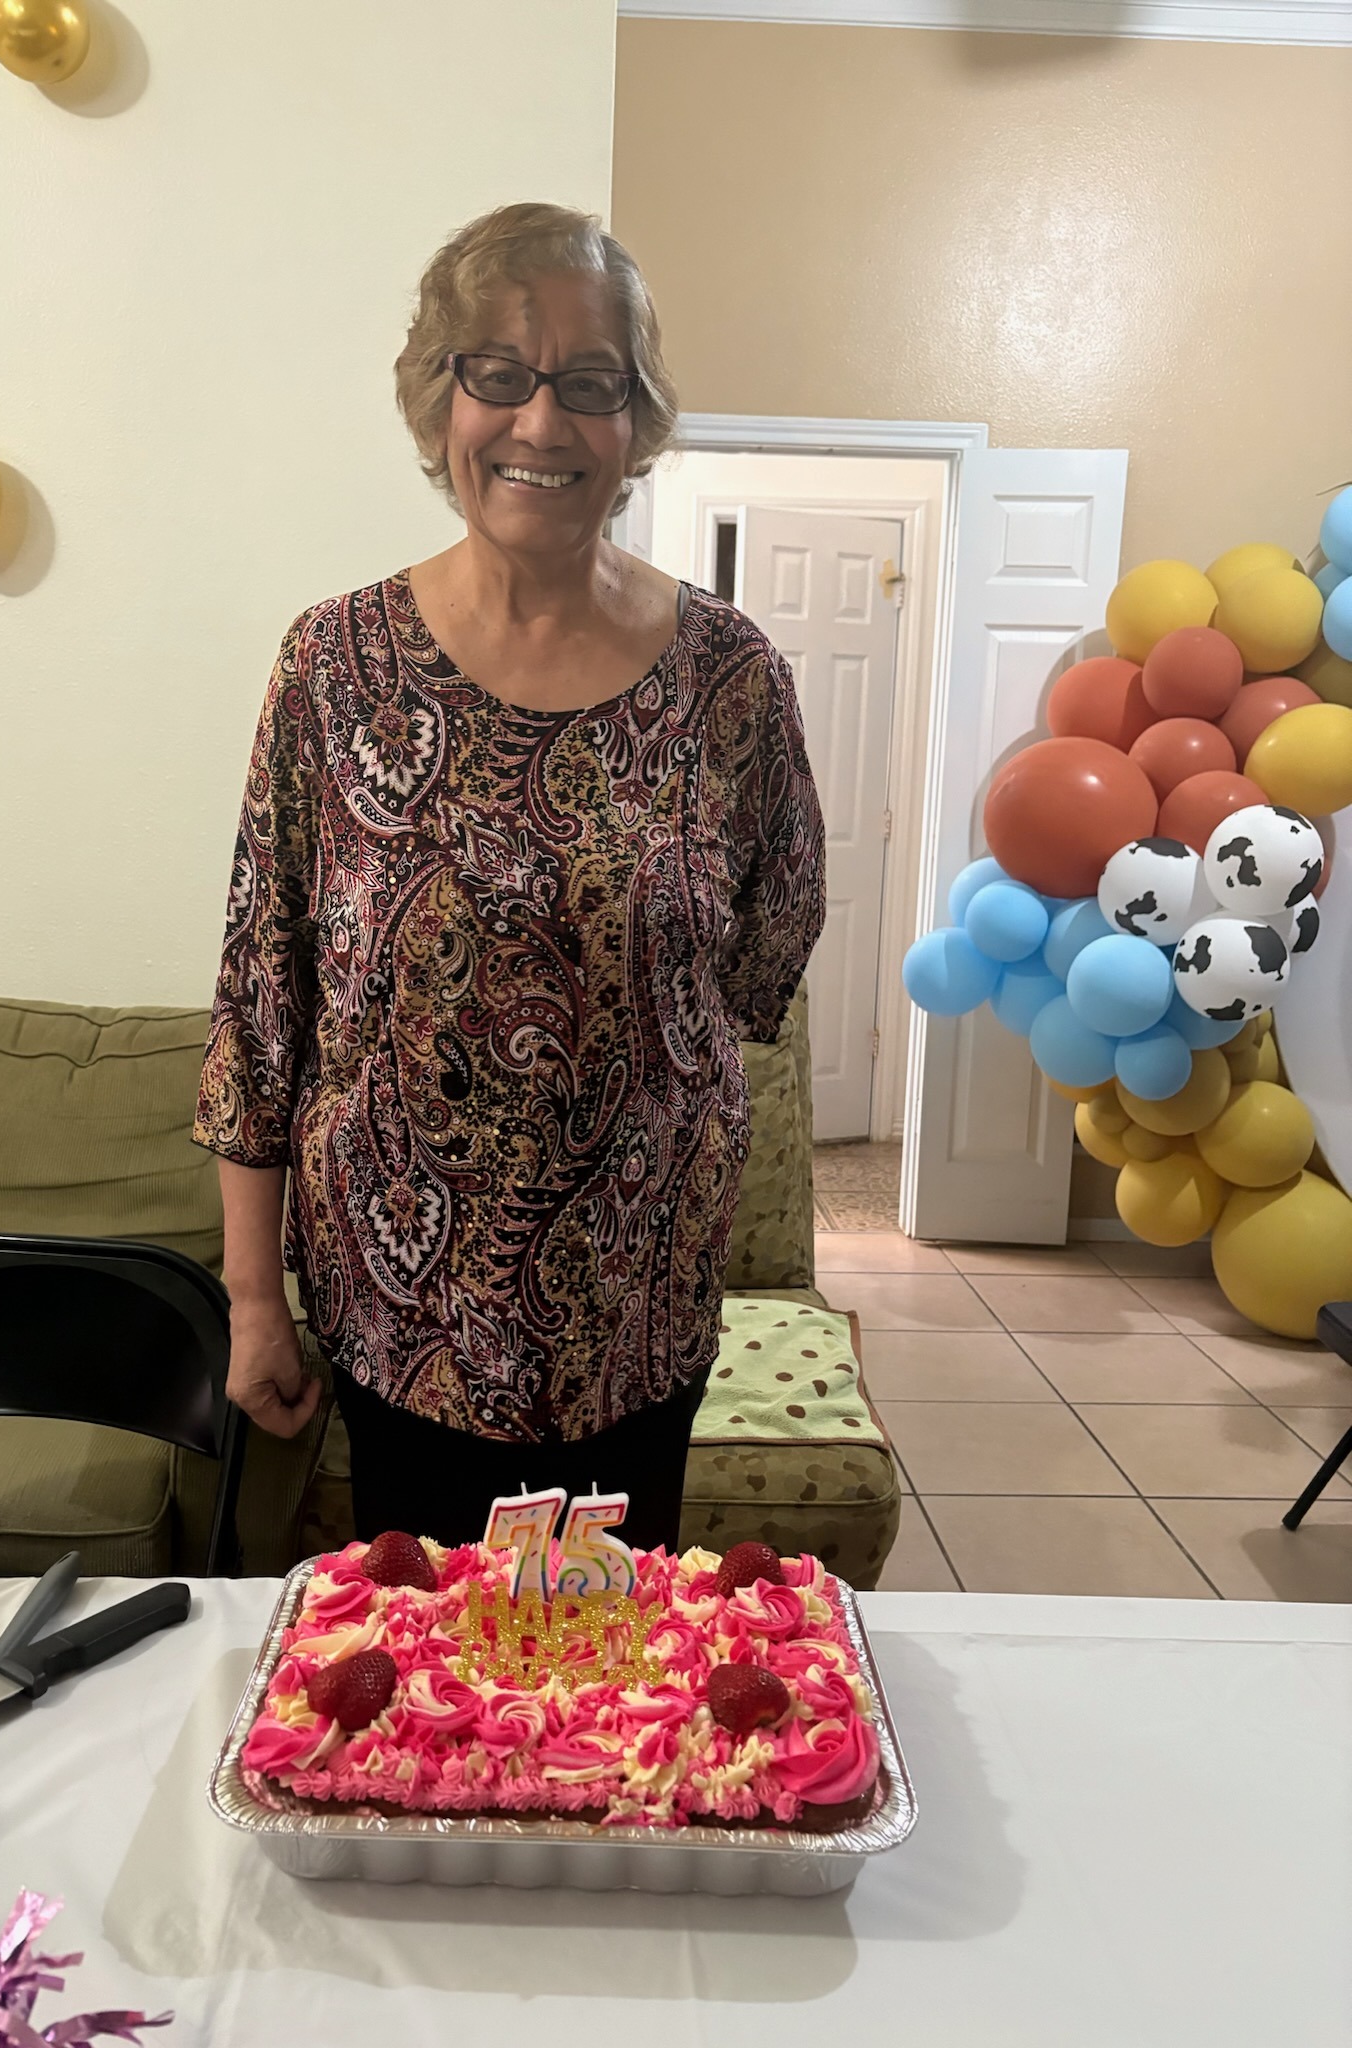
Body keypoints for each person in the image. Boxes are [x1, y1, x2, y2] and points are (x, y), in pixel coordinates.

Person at [193, 201, 825, 1551]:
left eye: (592, 383)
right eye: (499, 373)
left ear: (636, 422)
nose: (543, 421)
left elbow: (764, 956)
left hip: (640, 1319)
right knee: (424, 1657)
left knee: (617, 1662)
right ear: (441, 405)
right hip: (398, 1322)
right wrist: (253, 1301)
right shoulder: (333, 666)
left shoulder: (733, 680)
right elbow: (261, 1001)